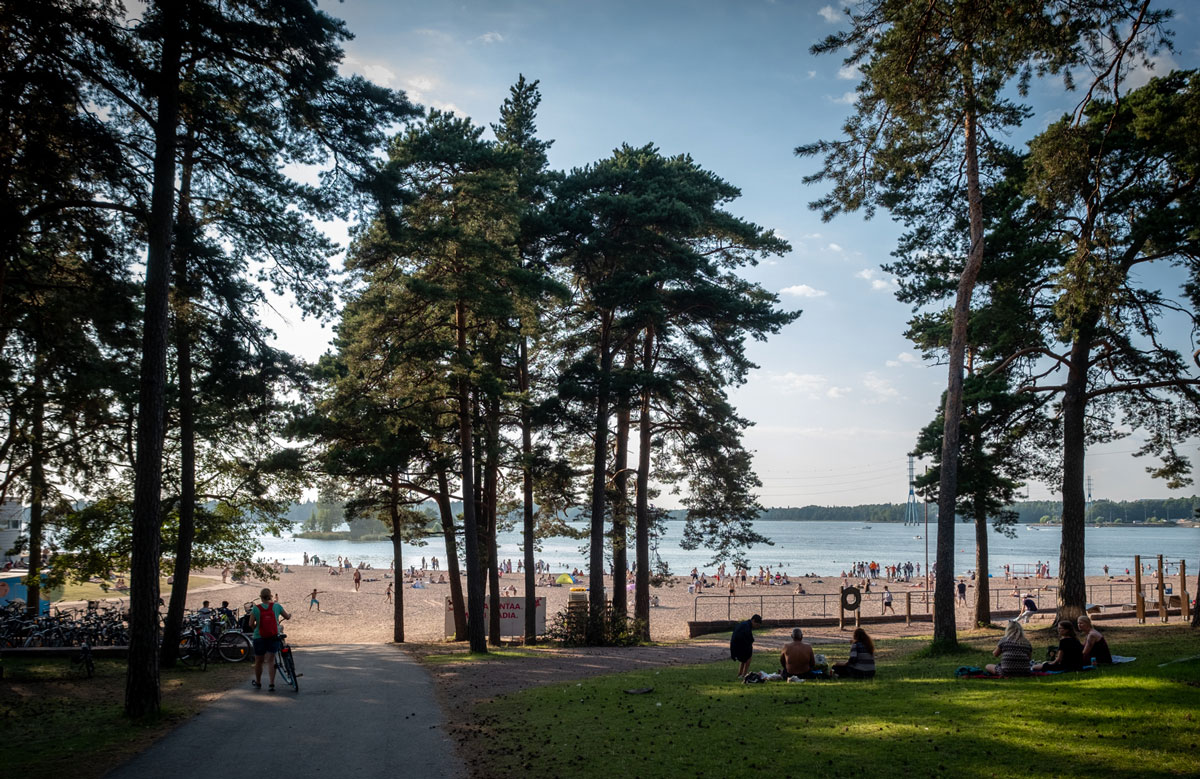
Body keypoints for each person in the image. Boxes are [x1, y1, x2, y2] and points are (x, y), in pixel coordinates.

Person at [249, 587, 291, 691]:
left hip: (259, 637)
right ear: (270, 596)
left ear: (261, 597)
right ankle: (271, 684)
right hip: (273, 636)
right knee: (271, 660)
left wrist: (256, 629)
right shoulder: (276, 606)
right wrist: (289, 615)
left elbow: (250, 624)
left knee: (259, 661)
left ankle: (258, 683)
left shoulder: (256, 608)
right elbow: (286, 616)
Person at [730, 614, 762, 678]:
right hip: (737, 646)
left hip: (734, 646)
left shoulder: (745, 624)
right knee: (748, 657)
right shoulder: (747, 626)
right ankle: (744, 674)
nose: (756, 626)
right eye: (756, 624)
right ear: (753, 620)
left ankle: (740, 673)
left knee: (745, 657)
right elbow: (749, 639)